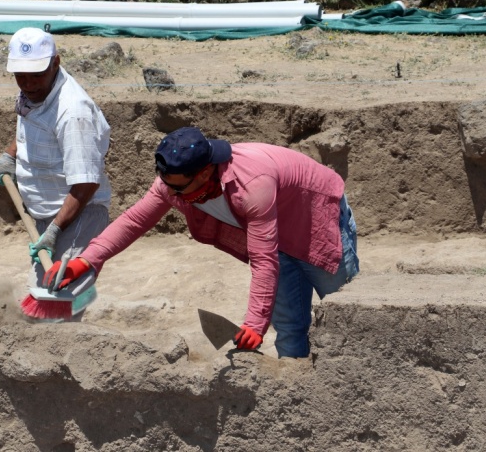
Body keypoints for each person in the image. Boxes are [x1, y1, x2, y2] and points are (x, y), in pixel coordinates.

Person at [44, 126, 359, 357]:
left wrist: (253, 323)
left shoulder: (252, 184)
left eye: (182, 189)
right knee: (289, 329)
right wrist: (88, 260)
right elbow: (135, 220)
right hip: (276, 241)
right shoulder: (174, 182)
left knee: (346, 316)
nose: (175, 196)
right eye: (170, 188)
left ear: (207, 171)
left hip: (318, 221)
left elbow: (264, 261)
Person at [0, 27, 112, 320]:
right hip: (49, 214)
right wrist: (10, 155)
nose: (28, 84)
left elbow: (86, 183)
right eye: (21, 76)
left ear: (55, 63)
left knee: (55, 299)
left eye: (36, 75)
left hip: (77, 214)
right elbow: (31, 124)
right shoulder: (35, 91)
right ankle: (81, 306)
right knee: (54, 292)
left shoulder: (73, 112)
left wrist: (55, 230)